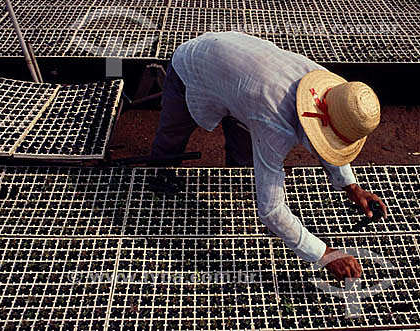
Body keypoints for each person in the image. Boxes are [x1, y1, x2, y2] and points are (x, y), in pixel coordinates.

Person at [150, 31, 388, 280]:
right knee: (173, 132)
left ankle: (236, 178)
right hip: (194, 66)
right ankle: (160, 174)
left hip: (239, 73)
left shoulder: (330, 89)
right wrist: (324, 254)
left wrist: (351, 186)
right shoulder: (273, 120)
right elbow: (272, 210)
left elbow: (330, 129)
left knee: (244, 148)